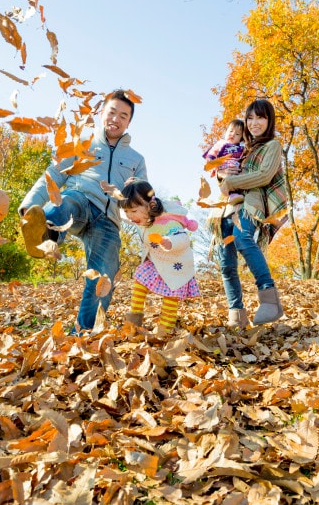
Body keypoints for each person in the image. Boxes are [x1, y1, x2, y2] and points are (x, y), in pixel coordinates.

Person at [18, 89, 147, 332]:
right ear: (101, 113)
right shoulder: (81, 145)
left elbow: (144, 195)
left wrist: (135, 190)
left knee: (103, 278)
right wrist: (28, 205)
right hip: (81, 201)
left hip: (108, 221)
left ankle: (83, 334)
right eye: (112, 112)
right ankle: (44, 236)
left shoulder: (136, 159)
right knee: (64, 201)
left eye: (123, 115)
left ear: (129, 121)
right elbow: (53, 174)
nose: (116, 119)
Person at [210, 99, 288, 329]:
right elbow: (222, 176)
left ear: (269, 120)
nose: (254, 123)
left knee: (243, 237)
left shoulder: (271, 146)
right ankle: (237, 314)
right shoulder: (242, 148)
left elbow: (264, 176)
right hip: (224, 207)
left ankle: (269, 299)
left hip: (250, 203)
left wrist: (232, 179)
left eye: (260, 118)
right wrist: (222, 174)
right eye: (250, 118)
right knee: (226, 263)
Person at [119, 179, 201, 330]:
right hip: (156, 261)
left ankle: (165, 328)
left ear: (150, 205)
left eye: (133, 211)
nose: (130, 216)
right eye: (126, 211)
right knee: (140, 277)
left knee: (171, 294)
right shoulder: (142, 218)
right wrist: (131, 187)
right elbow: (128, 211)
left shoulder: (168, 221)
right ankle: (133, 320)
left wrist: (169, 241)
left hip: (176, 265)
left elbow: (183, 239)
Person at [202, 119, 245, 205]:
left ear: (241, 139)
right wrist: (211, 160)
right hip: (224, 166)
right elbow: (213, 152)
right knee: (228, 179)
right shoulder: (221, 143)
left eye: (237, 134)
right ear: (226, 131)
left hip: (235, 166)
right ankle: (231, 194)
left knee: (237, 178)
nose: (232, 134)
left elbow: (243, 156)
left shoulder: (241, 147)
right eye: (231, 131)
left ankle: (236, 194)